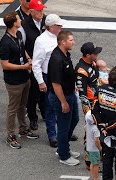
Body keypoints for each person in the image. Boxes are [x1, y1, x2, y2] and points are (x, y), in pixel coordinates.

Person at [0, 11, 39, 149]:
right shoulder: (5, 42)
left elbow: (23, 50)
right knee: (13, 108)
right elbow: (5, 64)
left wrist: (28, 59)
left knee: (23, 105)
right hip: (13, 81)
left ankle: (23, 128)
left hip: (24, 77)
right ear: (13, 23)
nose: (20, 20)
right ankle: (10, 135)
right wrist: (23, 66)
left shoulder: (19, 34)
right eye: (18, 19)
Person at [91, 66, 116, 180]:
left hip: (105, 132)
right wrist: (107, 126)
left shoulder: (99, 90)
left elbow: (94, 110)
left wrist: (101, 127)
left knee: (107, 158)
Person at [48, 31, 80, 166]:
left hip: (70, 93)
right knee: (63, 127)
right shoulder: (56, 59)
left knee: (74, 119)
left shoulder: (65, 54)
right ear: (63, 42)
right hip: (61, 97)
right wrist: (63, 102)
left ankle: (63, 147)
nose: (73, 42)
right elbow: (56, 84)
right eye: (71, 40)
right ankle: (64, 156)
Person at [32, 14, 62, 147]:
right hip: (48, 77)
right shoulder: (41, 40)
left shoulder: (59, 37)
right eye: (58, 25)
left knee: (63, 104)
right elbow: (36, 63)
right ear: (51, 27)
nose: (61, 27)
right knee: (50, 107)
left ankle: (63, 131)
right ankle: (52, 135)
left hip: (61, 76)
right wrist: (40, 81)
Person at [19, 0, 46, 131]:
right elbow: (21, 45)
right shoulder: (24, 25)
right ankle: (33, 118)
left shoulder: (46, 21)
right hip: (33, 63)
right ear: (31, 12)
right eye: (39, 10)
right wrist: (28, 60)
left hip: (46, 63)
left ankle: (45, 113)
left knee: (46, 91)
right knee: (33, 93)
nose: (41, 12)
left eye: (42, 10)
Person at [75, 42, 102, 169]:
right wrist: (88, 113)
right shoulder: (81, 70)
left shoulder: (92, 63)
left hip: (97, 102)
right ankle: (88, 161)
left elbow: (96, 80)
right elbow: (82, 94)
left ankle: (97, 153)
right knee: (90, 131)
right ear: (87, 55)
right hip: (90, 104)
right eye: (94, 53)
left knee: (99, 130)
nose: (96, 54)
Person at [85, 111, 102, 180]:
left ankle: (93, 177)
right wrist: (100, 147)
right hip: (94, 149)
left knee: (92, 163)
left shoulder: (88, 125)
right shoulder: (95, 129)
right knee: (96, 164)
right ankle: (95, 178)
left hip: (88, 147)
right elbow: (96, 140)